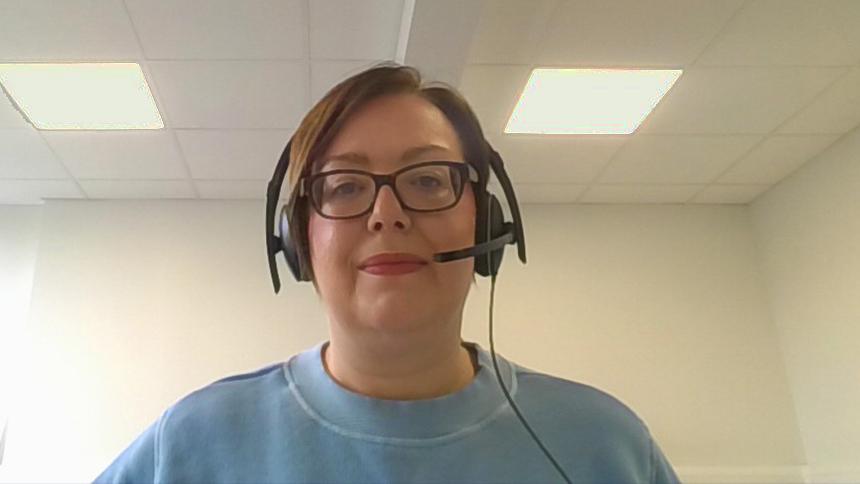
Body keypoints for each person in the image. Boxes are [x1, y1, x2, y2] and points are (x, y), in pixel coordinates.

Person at [94, 62, 681, 483]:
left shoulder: (605, 443)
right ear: (300, 239)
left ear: (485, 223)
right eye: (344, 186)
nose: (387, 215)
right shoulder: (195, 442)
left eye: (427, 180)